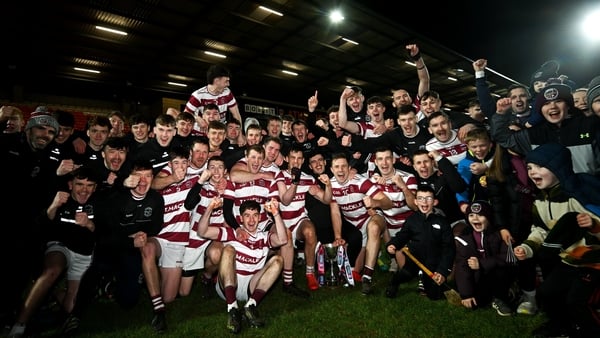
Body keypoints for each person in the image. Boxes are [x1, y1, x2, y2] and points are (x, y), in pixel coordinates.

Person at [59, 160, 165, 335]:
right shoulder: (115, 199)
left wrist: (142, 235)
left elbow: (155, 227)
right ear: (130, 178)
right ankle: (75, 316)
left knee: (128, 301)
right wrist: (130, 240)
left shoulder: (156, 199)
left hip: (131, 252)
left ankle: (110, 285)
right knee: (96, 270)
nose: (143, 181)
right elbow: (104, 237)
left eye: (148, 176)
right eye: (138, 176)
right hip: (110, 248)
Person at [518, 142, 600, 336]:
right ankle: (561, 326)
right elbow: (540, 229)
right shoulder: (540, 200)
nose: (532, 172)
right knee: (547, 293)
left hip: (593, 261)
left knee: (578, 301)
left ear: (558, 167)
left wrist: (593, 225)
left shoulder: (579, 196)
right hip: (569, 260)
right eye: (529, 167)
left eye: (540, 166)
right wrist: (528, 247)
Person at [8, 167, 98, 338]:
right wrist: (53, 206)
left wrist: (90, 225)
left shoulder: (98, 203)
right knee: (53, 269)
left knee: (71, 307)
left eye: (89, 185)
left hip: (83, 256)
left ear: (95, 187)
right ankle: (19, 324)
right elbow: (37, 228)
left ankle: (54, 292)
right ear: (70, 185)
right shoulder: (59, 198)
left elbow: (106, 234)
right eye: (79, 184)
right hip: (60, 247)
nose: (84, 190)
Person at [0, 109, 60, 326]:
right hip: (4, 222)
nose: (45, 134)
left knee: (19, 273)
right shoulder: (8, 143)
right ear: (29, 128)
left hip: (27, 225)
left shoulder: (47, 154)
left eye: (51, 131)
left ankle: (10, 312)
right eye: (41, 128)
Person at [197, 197, 287, 334]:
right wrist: (210, 208)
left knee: (278, 260)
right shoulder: (232, 233)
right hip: (229, 283)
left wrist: (275, 213)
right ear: (241, 218)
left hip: (251, 286)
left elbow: (283, 239)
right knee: (228, 249)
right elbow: (202, 232)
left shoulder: (264, 237)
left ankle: (250, 305)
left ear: (260, 217)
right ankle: (232, 308)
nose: (251, 220)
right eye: (247, 216)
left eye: (255, 215)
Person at [492, 80, 600, 175]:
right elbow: (503, 138)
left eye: (558, 101)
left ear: (568, 105)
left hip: (588, 194)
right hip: (551, 196)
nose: (553, 106)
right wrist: (500, 114)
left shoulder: (590, 126)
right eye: (547, 103)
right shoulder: (534, 134)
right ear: (541, 110)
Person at [328, 152, 393, 294]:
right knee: (354, 271)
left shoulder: (361, 182)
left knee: (374, 227)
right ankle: (375, 254)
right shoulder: (331, 185)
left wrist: (374, 202)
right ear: (332, 170)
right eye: (337, 167)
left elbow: (388, 203)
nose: (340, 170)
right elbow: (335, 212)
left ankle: (367, 278)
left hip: (371, 218)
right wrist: (338, 236)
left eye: (344, 166)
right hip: (353, 225)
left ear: (349, 167)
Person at [274, 145, 332, 291]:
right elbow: (285, 200)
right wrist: (295, 182)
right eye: (293, 158)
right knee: (279, 263)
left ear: (303, 160)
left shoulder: (308, 178)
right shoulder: (280, 175)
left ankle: (310, 273)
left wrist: (328, 185)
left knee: (310, 231)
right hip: (281, 223)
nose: (296, 161)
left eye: (299, 158)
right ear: (286, 159)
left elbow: (326, 200)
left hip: (299, 220)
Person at [384, 185, 455, 299]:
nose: (424, 202)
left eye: (428, 198)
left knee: (434, 296)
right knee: (406, 274)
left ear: (435, 202)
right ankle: (394, 282)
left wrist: (442, 271)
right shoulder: (412, 220)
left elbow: (449, 249)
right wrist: (393, 244)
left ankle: (427, 281)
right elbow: (403, 235)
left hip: (433, 263)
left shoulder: (442, 222)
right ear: (415, 201)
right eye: (421, 198)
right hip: (415, 259)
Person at [454, 201, 513, 316]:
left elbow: (509, 258)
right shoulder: (464, 237)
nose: (475, 219)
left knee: (501, 272)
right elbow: (462, 265)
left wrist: (482, 263)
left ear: (489, 217)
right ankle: (487, 294)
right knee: (478, 303)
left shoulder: (500, 234)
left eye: (480, 215)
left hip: (498, 273)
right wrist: (466, 294)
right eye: (471, 215)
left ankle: (502, 296)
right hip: (479, 275)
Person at [181, 155, 227, 298]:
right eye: (212, 167)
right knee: (183, 292)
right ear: (207, 170)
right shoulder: (201, 186)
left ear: (225, 171)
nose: (216, 171)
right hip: (196, 236)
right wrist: (201, 181)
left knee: (216, 255)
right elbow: (188, 205)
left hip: (215, 235)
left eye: (220, 167)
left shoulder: (230, 188)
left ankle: (207, 277)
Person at [370, 147, 418, 272]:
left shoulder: (408, 177)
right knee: (377, 220)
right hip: (389, 228)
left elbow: (415, 206)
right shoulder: (373, 181)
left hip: (409, 226)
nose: (384, 163)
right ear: (376, 162)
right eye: (380, 159)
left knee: (409, 267)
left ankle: (401, 256)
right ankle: (393, 259)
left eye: (387, 158)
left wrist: (403, 187)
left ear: (393, 160)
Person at [183, 64, 243, 140]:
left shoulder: (227, 93)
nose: (228, 84)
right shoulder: (198, 95)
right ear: (217, 81)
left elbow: (236, 114)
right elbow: (185, 114)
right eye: (226, 81)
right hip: (199, 135)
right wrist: (197, 118)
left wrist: (240, 135)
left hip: (219, 136)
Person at [390, 44, 430, 113]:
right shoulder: (394, 123)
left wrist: (417, 58)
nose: (402, 99)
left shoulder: (420, 107)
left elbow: (424, 80)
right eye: (398, 98)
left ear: (411, 99)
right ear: (393, 104)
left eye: (405, 96)